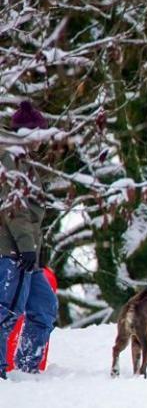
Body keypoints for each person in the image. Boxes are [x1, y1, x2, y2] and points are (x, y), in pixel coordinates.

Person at [0, 101, 58, 379]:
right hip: (10, 251)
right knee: (6, 312)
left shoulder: (27, 163)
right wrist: (26, 248)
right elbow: (16, 212)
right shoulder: (10, 161)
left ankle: (27, 368)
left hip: (26, 253)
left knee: (44, 306)